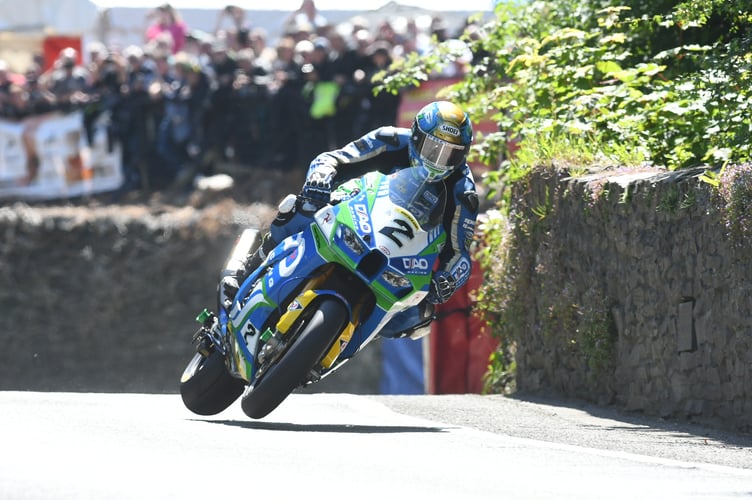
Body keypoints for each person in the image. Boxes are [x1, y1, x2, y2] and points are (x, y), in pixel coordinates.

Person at [219, 100, 479, 339]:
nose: (438, 161)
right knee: (302, 208)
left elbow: (460, 253)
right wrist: (321, 177)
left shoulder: (463, 192)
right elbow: (333, 159)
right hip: (351, 212)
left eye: (451, 154)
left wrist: (449, 279)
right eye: (433, 148)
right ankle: (247, 271)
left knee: (419, 317)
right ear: (415, 136)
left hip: (401, 253)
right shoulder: (388, 139)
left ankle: (345, 335)